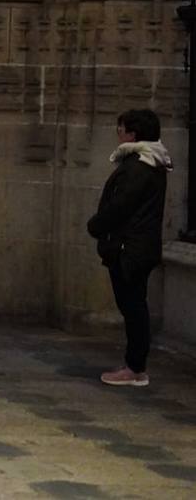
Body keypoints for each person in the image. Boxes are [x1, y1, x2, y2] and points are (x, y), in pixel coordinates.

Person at [87, 109, 171, 387]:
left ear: (133, 134)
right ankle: (134, 364)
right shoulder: (150, 163)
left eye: (120, 129)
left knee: (133, 306)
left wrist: (96, 225)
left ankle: (135, 367)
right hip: (138, 247)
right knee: (134, 305)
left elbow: (120, 207)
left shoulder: (138, 167)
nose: (118, 134)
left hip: (130, 248)